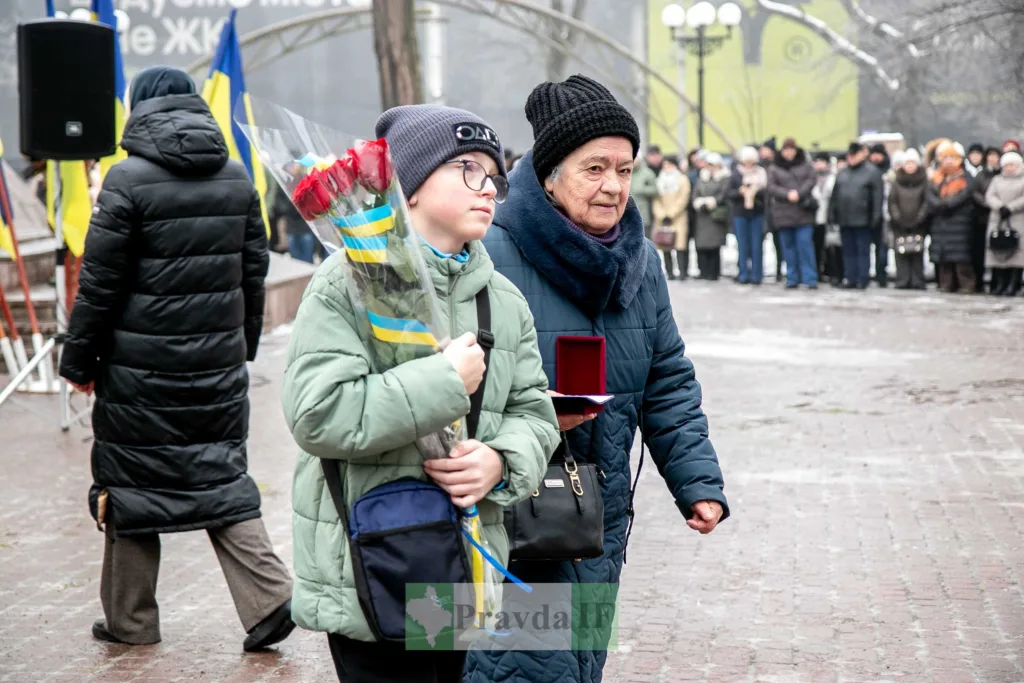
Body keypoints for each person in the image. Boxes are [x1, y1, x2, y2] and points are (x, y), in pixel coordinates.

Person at [281, 104, 559, 682]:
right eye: (467, 168)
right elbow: (318, 413)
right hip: (373, 561)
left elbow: (534, 412)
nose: (488, 186)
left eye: (494, 174)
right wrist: (443, 383)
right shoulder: (345, 281)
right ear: (407, 184)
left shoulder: (502, 299)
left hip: (460, 561)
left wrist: (499, 461)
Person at [467, 74, 728, 683]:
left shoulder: (640, 262)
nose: (614, 186)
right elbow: (453, 385)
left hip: (598, 517)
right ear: (549, 174)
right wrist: (536, 415)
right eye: (594, 168)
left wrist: (698, 482)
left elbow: (667, 378)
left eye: (624, 167)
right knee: (519, 666)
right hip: (513, 512)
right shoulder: (489, 254)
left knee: (580, 666)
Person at [57, 66, 295, 650]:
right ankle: (269, 601)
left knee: (131, 482)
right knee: (219, 475)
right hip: (216, 370)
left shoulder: (126, 179)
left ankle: (131, 621)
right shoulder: (238, 179)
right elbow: (254, 275)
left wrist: (78, 363)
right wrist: (241, 351)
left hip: (138, 373)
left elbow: (99, 285)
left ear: (139, 111)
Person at [830, 142, 883, 289]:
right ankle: (850, 277)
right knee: (848, 250)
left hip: (863, 219)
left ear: (862, 154)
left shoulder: (872, 172)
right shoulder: (842, 172)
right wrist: (832, 214)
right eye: (850, 155)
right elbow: (835, 196)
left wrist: (875, 217)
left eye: (855, 155)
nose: (852, 158)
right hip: (844, 218)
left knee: (862, 250)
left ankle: (862, 278)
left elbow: (877, 198)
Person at [767, 137, 818, 289]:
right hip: (783, 213)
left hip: (803, 212)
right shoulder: (775, 167)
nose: (788, 153)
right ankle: (792, 277)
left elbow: (811, 180)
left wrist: (798, 193)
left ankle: (809, 278)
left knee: (805, 246)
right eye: (786, 150)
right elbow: (771, 186)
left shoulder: (806, 164)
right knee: (788, 248)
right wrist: (787, 193)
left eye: (791, 150)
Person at [927, 141, 977, 293]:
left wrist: (949, 204)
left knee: (961, 258)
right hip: (941, 222)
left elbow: (966, 194)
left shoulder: (965, 176)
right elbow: (929, 194)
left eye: (952, 157)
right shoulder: (936, 177)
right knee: (943, 258)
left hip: (959, 221)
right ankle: (946, 284)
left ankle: (966, 285)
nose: (948, 161)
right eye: (945, 157)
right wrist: (939, 204)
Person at [887, 148, 930, 290]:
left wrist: (920, 218)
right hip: (900, 223)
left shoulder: (924, 181)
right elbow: (892, 201)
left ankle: (918, 280)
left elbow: (926, 201)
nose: (910, 166)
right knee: (901, 253)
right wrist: (897, 218)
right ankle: (902, 280)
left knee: (917, 252)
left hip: (919, 223)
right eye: (907, 163)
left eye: (912, 163)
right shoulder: (896, 181)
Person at [984, 150, 1024, 296]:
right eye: (1006, 165)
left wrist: (1011, 207)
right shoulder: (997, 180)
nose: (1009, 168)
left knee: (1016, 253)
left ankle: (1013, 285)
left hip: (1017, 220)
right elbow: (989, 195)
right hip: (998, 219)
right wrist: (999, 206)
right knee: (997, 251)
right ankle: (999, 284)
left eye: (1012, 165)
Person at [728, 146, 767, 284]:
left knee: (757, 245)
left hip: (757, 213)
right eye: (746, 161)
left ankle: (757, 275)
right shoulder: (736, 174)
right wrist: (741, 191)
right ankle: (743, 273)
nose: (749, 164)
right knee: (742, 245)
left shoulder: (761, 173)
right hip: (740, 213)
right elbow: (729, 194)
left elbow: (766, 194)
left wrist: (755, 191)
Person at [692, 151, 731, 280]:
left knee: (714, 245)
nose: (710, 168)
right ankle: (703, 271)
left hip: (715, 215)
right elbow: (696, 193)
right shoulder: (702, 178)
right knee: (702, 245)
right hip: (702, 215)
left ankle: (714, 272)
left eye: (713, 165)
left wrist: (711, 202)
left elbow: (723, 194)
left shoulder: (724, 178)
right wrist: (699, 203)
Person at [651, 154, 691, 279]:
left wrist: (671, 214)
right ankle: (670, 272)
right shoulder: (659, 181)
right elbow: (656, 200)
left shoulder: (682, 180)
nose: (667, 167)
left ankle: (682, 272)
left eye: (670, 164)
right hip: (662, 218)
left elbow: (683, 199)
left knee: (680, 245)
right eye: (665, 165)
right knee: (665, 244)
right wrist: (662, 215)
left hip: (678, 217)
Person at [971, 147, 1002, 292]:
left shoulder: (1002, 174)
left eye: (995, 156)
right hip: (981, 217)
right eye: (989, 156)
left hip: (1000, 216)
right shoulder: (981, 175)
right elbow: (975, 192)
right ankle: (979, 281)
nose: (992, 159)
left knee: (999, 249)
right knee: (979, 251)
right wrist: (986, 203)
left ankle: (998, 282)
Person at [811, 152, 838, 282]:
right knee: (816, 245)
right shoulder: (811, 178)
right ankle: (817, 271)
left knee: (831, 247)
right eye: (817, 162)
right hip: (814, 217)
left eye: (822, 162)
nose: (819, 165)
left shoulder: (833, 177)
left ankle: (831, 272)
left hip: (829, 216)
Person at [760, 137, 784, 281]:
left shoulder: (777, 166)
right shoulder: (760, 165)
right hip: (762, 208)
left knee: (779, 242)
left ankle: (779, 269)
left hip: (776, 208)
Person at [632, 145, 662, 239]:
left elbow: (656, 190)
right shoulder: (625, 172)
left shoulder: (647, 173)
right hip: (626, 214)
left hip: (644, 214)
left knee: (644, 240)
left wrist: (642, 189)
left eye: (636, 157)